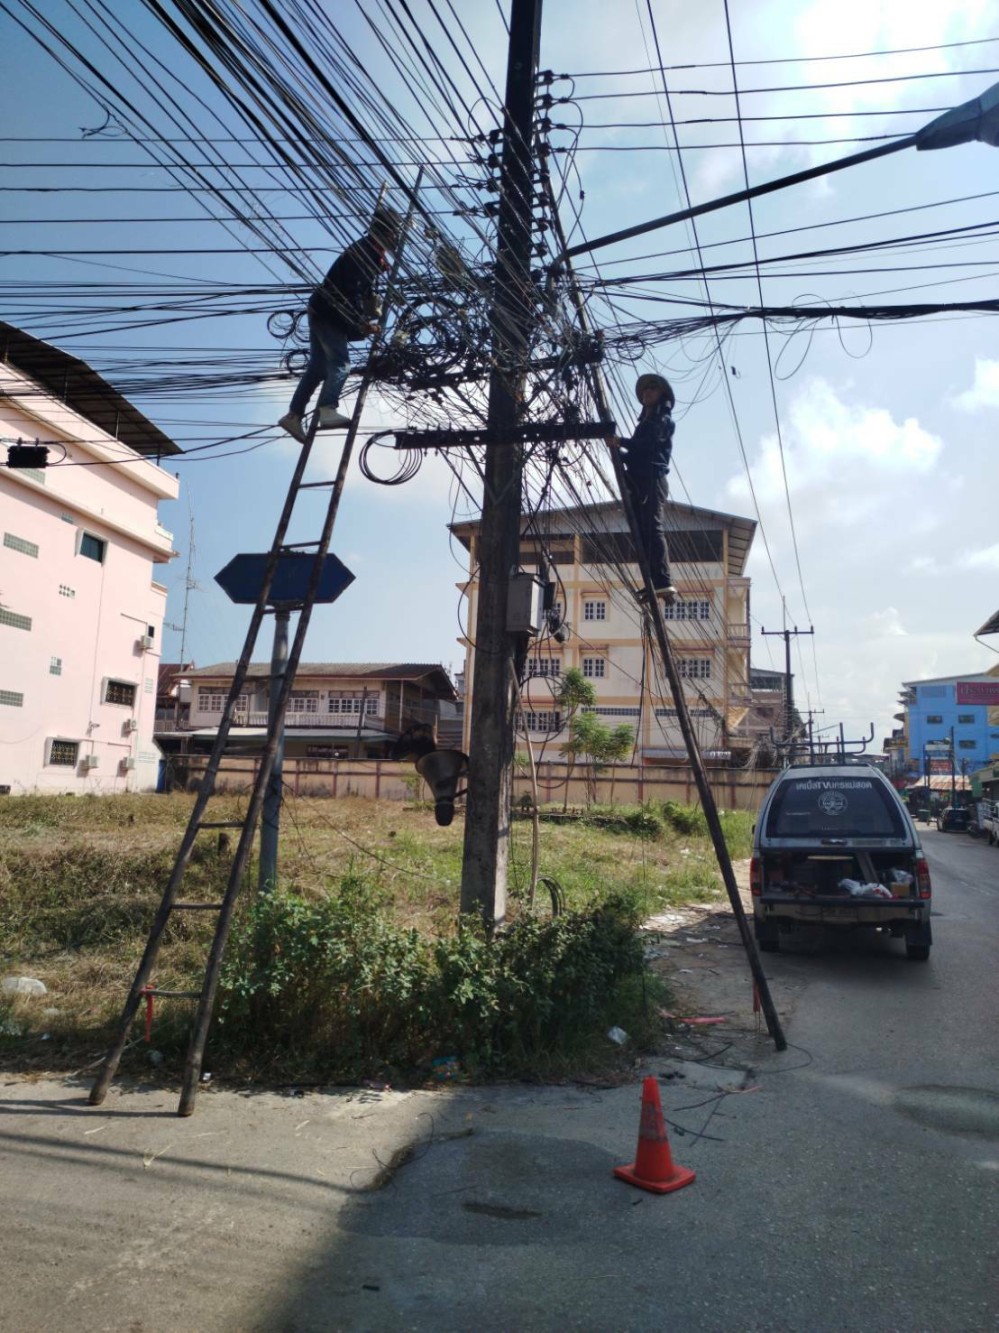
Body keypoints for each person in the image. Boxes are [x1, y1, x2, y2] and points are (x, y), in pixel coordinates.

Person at [278, 204, 402, 443]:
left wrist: (367, 312)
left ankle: (293, 416)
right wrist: (362, 322)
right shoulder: (366, 254)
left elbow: (361, 290)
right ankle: (327, 409)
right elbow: (351, 291)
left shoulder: (367, 252)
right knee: (341, 364)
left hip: (321, 309)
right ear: (387, 233)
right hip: (330, 312)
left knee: (318, 368)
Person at [606, 372, 678, 604]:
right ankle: (653, 581)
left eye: (652, 388)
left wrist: (621, 443)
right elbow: (636, 454)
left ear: (662, 395)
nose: (647, 391)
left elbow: (646, 446)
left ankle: (663, 579)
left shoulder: (663, 421)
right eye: (645, 388)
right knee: (642, 532)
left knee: (653, 528)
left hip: (652, 480)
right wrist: (618, 452)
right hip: (639, 482)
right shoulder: (644, 424)